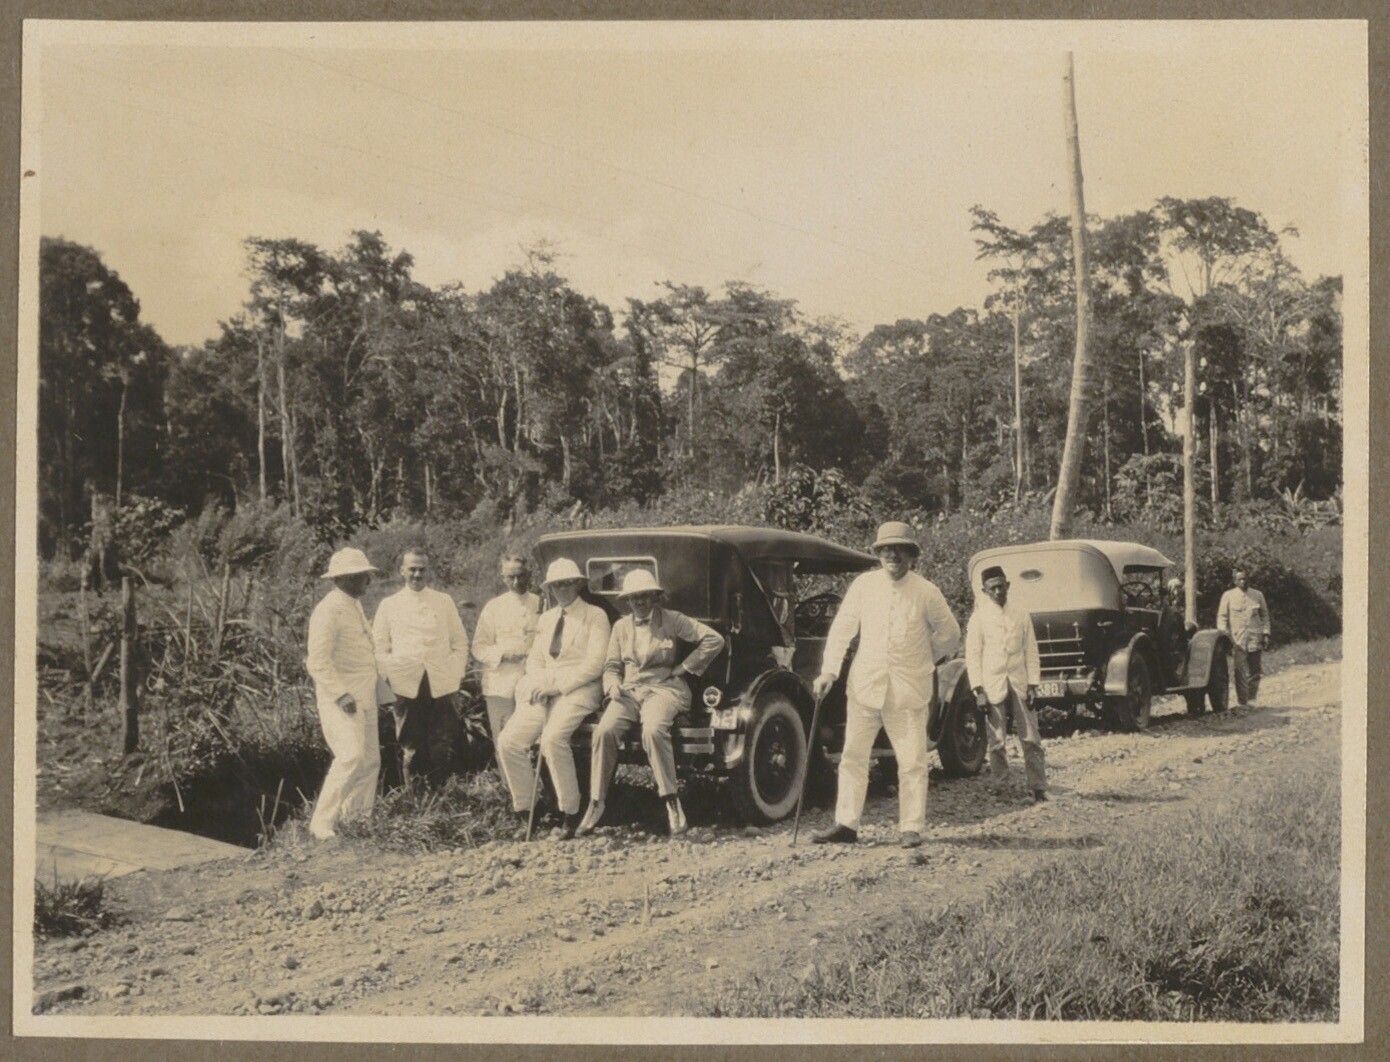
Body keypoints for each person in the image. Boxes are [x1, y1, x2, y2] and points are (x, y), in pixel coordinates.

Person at [811, 521, 961, 849]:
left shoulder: (926, 592)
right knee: (853, 756)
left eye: (900, 550)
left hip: (908, 689)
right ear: (878, 554)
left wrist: (925, 658)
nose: (893, 555)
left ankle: (911, 828)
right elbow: (842, 629)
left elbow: (951, 634)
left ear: (912, 555)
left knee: (912, 761)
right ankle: (846, 824)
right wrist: (828, 672)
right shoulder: (864, 586)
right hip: (865, 685)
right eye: (886, 549)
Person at [579, 569, 725, 838]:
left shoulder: (672, 619)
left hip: (664, 689)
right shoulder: (621, 627)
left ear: (655, 597)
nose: (640, 602)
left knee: (654, 730)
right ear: (627, 600)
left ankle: (671, 801)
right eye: (634, 597)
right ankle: (596, 802)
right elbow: (611, 666)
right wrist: (612, 685)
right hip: (630, 691)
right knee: (603, 731)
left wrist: (684, 668)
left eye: (645, 596)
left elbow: (714, 640)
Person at [496, 558, 610, 839]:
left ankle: (570, 812)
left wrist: (557, 687)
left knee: (552, 739)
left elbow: (595, 663)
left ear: (579, 584)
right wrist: (542, 683)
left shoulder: (595, 615)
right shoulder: (546, 619)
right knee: (508, 742)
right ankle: (528, 810)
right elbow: (536, 658)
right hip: (544, 689)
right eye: (556, 585)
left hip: (579, 689)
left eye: (567, 583)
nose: (562, 589)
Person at [305, 547, 386, 841]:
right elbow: (317, 661)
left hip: (365, 694)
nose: (368, 581)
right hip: (341, 700)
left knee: (370, 760)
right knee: (350, 756)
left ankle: (356, 820)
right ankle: (321, 824)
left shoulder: (354, 605)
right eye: (362, 576)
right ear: (345, 578)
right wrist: (341, 695)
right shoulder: (327, 611)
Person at [372, 549, 470, 787]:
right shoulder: (389, 604)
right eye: (412, 569)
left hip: (441, 681)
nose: (417, 574)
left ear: (429, 571)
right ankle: (414, 798)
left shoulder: (443, 601)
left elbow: (459, 642)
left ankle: (442, 795)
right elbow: (379, 646)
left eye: (422, 569)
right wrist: (391, 674)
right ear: (402, 571)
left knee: (441, 742)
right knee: (411, 744)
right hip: (405, 683)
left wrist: (454, 673)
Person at [965, 565, 1046, 803]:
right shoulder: (979, 618)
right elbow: (973, 655)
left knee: (1031, 737)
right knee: (997, 740)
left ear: (1008, 585)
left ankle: (1038, 788)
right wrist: (978, 689)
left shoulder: (1021, 614)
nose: (998, 591)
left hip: (1019, 681)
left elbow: (1031, 650)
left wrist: (1033, 684)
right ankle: (1001, 789)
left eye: (1001, 586)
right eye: (993, 588)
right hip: (992, 684)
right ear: (984, 591)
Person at [471, 555, 542, 764]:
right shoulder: (494, 607)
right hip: (501, 684)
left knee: (534, 741)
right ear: (503, 578)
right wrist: (502, 655)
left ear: (529, 575)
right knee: (503, 740)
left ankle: (536, 783)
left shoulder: (541, 603)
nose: (516, 582)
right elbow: (478, 646)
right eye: (511, 577)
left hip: (532, 684)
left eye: (521, 576)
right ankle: (507, 784)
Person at [1217, 569, 1271, 706]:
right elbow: (1222, 617)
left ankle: (1251, 699)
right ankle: (1243, 702)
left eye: (1245, 579)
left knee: (1255, 670)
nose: (1243, 581)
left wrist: (1266, 633)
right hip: (1237, 639)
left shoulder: (1257, 595)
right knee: (1239, 670)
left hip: (1255, 637)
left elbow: (1265, 616)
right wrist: (1224, 635)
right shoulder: (1228, 596)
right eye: (1239, 579)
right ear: (1235, 581)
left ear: (1249, 580)